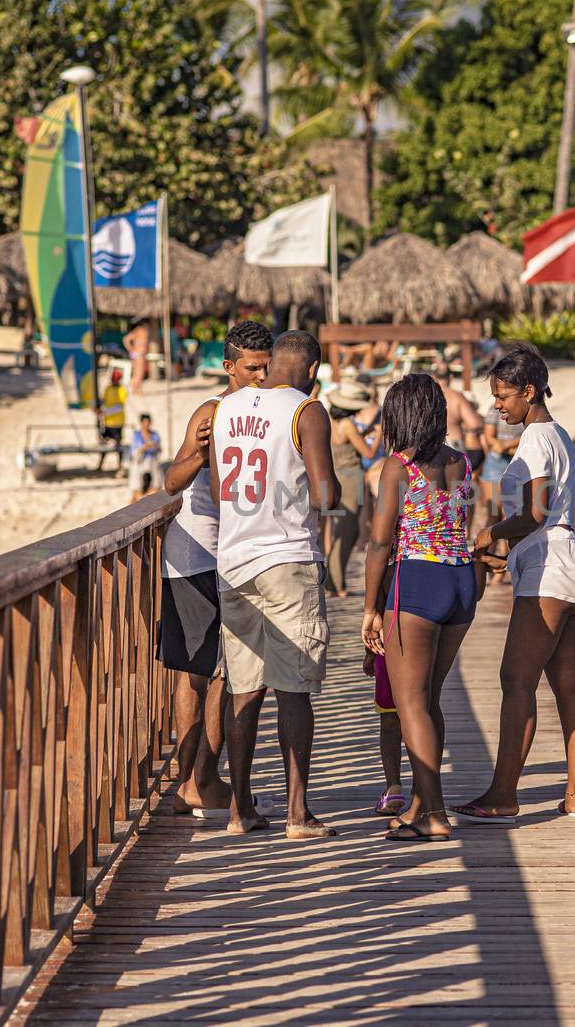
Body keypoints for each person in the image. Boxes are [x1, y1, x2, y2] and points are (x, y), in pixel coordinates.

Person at [456, 343, 575, 824]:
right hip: (571, 564)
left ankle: (502, 795)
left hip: (550, 569)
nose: (497, 405)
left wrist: (491, 532)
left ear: (530, 391)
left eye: (503, 396)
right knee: (569, 685)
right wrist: (510, 552)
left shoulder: (536, 440)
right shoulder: (560, 435)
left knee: (515, 680)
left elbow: (535, 512)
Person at [203, 330, 340, 838]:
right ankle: (297, 814)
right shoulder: (307, 411)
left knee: (244, 689)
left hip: (233, 561)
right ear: (310, 368)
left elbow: (220, 488)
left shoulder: (226, 408)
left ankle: (241, 810)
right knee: (293, 689)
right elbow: (325, 494)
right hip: (287, 559)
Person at [162, 319, 274, 818]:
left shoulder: (270, 409)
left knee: (227, 674)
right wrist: (202, 449)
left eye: (266, 367)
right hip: (194, 551)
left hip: (237, 554)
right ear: (228, 366)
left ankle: (202, 778)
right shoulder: (211, 410)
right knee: (197, 674)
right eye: (251, 368)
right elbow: (172, 480)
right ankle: (192, 782)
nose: (260, 376)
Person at [362, 373, 480, 842]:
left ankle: (433, 813)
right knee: (429, 700)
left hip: (417, 580)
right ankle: (418, 802)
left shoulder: (399, 467)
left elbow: (378, 541)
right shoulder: (462, 462)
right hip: (461, 580)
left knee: (409, 703)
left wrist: (370, 608)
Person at [323, 381, 376, 598]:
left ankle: (335, 583)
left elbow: (345, 445)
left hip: (336, 476)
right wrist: (379, 433)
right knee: (348, 532)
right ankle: (336, 585)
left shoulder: (330, 421)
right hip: (351, 480)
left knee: (342, 532)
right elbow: (369, 453)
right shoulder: (347, 424)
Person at [474, 398, 523, 541]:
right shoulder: (494, 409)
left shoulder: (524, 407)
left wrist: (505, 446)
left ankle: (504, 554)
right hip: (498, 460)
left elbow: (530, 434)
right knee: (493, 513)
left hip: (515, 459)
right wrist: (511, 447)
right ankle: (485, 555)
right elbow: (489, 437)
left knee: (511, 514)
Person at [434, 364, 485, 471]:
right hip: (453, 445)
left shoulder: (428, 397)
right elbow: (474, 423)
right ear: (451, 378)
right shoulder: (456, 396)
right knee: (457, 484)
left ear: (434, 377)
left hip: (433, 446)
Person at [128, 413, 162, 503]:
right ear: (141, 423)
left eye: (148, 422)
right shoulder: (136, 435)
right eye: (145, 422)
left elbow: (159, 449)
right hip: (140, 461)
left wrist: (153, 446)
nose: (146, 424)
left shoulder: (154, 435)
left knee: (156, 484)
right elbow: (134, 452)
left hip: (152, 461)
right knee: (137, 484)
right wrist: (144, 448)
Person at [100, 368, 128, 473]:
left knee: (118, 445)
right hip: (107, 422)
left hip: (117, 423)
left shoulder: (122, 390)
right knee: (104, 444)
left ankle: (119, 466)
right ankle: (100, 465)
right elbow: (104, 401)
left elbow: (120, 406)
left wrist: (106, 412)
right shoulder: (108, 388)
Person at [124, 321, 151, 399]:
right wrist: (131, 349)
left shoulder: (137, 331)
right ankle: (136, 390)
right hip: (139, 354)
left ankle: (136, 390)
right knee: (139, 373)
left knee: (136, 373)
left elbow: (126, 339)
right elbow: (126, 339)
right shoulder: (142, 331)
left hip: (136, 353)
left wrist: (131, 349)